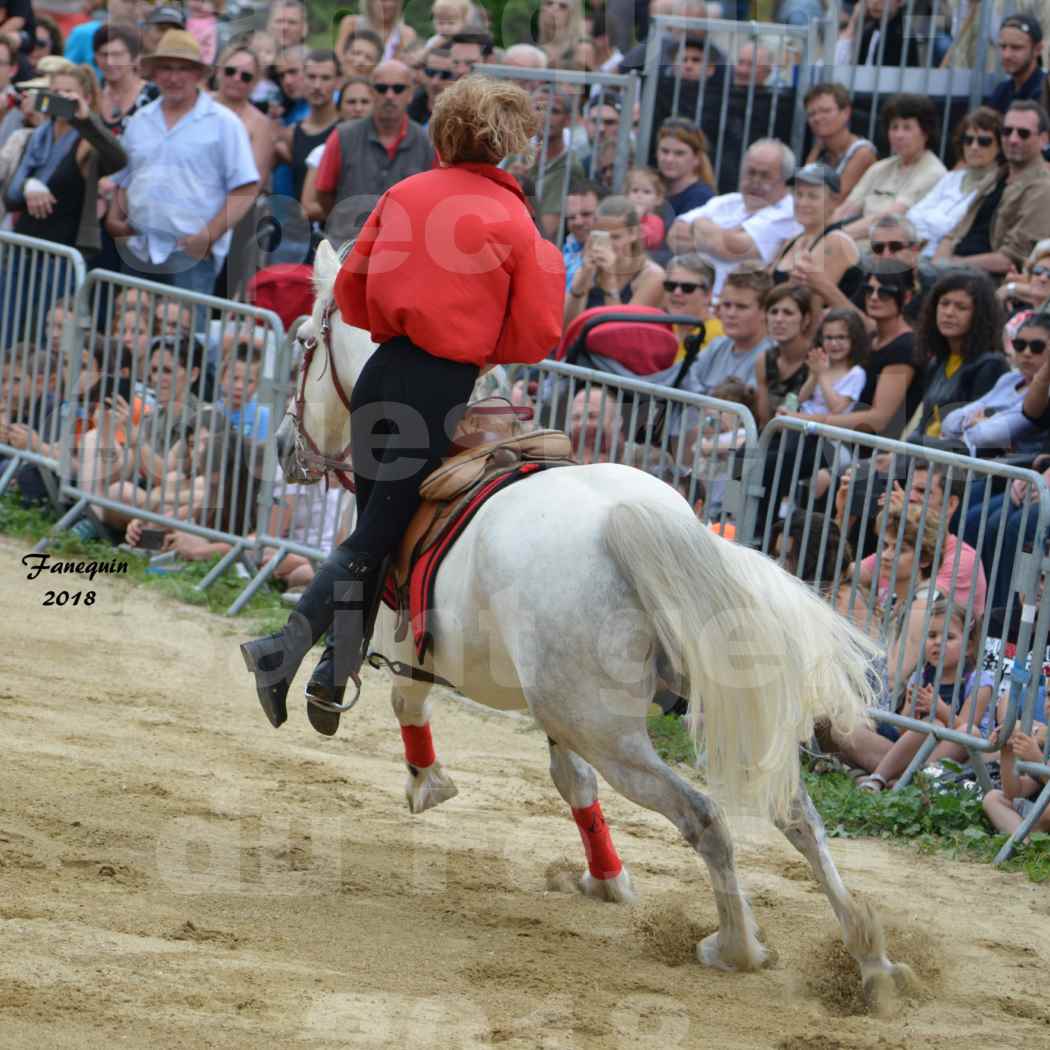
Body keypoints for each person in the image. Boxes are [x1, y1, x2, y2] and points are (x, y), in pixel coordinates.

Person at [240, 74, 564, 736]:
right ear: (505, 145)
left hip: (384, 370)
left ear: (443, 130)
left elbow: (353, 296)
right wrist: (483, 349)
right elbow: (539, 334)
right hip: (440, 381)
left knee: (380, 523)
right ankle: (282, 651)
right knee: (380, 528)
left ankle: (334, 671)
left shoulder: (403, 192)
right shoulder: (514, 220)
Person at [105, 30, 259, 297]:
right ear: (155, 73)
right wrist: (113, 218)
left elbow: (245, 188)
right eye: (166, 68)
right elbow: (126, 177)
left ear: (198, 74)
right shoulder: (140, 120)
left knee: (184, 335)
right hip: (139, 248)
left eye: (183, 69)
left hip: (190, 255)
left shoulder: (224, 123)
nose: (174, 77)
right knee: (131, 333)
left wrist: (208, 235)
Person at [3, 63, 126, 333]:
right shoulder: (36, 137)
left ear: (86, 97)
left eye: (68, 93)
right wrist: (29, 185)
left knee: (44, 333)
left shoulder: (85, 143)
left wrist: (85, 119)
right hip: (22, 251)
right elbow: (11, 197)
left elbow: (118, 159)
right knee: (8, 328)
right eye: (55, 91)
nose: (60, 97)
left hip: (60, 259)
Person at [856, 594, 996, 792]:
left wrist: (938, 709)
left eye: (949, 637)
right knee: (864, 724)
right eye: (931, 636)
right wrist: (911, 713)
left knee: (954, 728)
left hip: (966, 754)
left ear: (969, 646)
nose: (938, 642)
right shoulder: (921, 675)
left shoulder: (979, 681)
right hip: (922, 748)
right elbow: (903, 729)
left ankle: (912, 779)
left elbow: (965, 733)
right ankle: (878, 778)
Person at [313, 59, 431, 247]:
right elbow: (323, 193)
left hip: (403, 251)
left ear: (410, 94)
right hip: (345, 249)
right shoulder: (343, 136)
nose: (390, 95)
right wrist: (346, 223)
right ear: (371, 92)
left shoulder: (427, 143)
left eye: (398, 88)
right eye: (382, 88)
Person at [668, 138, 802, 298]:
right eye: (751, 172)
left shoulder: (788, 213)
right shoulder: (728, 201)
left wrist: (698, 225)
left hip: (731, 308)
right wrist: (722, 236)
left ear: (785, 181)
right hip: (689, 297)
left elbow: (728, 248)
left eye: (765, 176)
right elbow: (674, 236)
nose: (755, 181)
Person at [935, 101, 1050, 277]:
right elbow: (954, 232)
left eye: (1023, 133)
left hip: (988, 281)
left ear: (1043, 139)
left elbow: (1013, 258)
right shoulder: (997, 176)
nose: (1013, 139)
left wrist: (952, 265)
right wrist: (939, 264)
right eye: (1007, 131)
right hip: (954, 269)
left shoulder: (1043, 188)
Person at [832, 94, 946, 247]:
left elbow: (888, 219)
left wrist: (837, 236)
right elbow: (846, 209)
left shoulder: (933, 172)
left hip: (890, 252)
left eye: (907, 128)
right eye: (894, 127)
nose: (898, 135)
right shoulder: (879, 168)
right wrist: (819, 234)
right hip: (854, 244)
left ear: (925, 132)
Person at [940, 312, 1050, 455]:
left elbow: (986, 436)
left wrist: (981, 424)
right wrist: (978, 425)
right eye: (1020, 345)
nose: (1027, 353)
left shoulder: (1043, 393)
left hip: (1010, 473)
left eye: (1037, 347)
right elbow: (949, 421)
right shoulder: (1009, 379)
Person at [913, 272, 1007, 438]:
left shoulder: (991, 365)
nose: (949, 312)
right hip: (922, 454)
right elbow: (924, 424)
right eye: (944, 303)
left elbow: (973, 433)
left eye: (961, 307)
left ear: (980, 315)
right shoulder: (937, 362)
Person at [906, 108, 1003, 260]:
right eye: (969, 140)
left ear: (999, 146)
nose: (974, 147)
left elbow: (953, 228)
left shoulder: (996, 186)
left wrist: (929, 223)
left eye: (984, 141)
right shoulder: (951, 178)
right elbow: (912, 216)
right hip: (915, 251)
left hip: (947, 261)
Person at [770, 162, 862, 314]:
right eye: (798, 194)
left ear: (834, 202)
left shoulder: (836, 241)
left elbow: (810, 305)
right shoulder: (793, 240)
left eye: (812, 196)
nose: (802, 203)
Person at [564, 195, 665, 323]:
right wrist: (581, 281)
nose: (608, 244)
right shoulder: (590, 268)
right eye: (601, 236)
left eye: (615, 237)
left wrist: (610, 280)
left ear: (633, 233)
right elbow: (566, 329)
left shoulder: (652, 276)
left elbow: (621, 334)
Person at [678, 263, 774, 396]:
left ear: (765, 311)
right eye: (726, 305)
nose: (731, 313)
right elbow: (684, 376)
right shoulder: (717, 345)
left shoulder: (772, 356)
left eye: (741, 307)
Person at [276, 48, 339, 202]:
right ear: (303, 79)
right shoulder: (291, 133)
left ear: (337, 82)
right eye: (311, 77)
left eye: (325, 78)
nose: (317, 85)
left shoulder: (348, 130)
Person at [212, 44, 275, 190]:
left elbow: (254, 182)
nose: (236, 78)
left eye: (245, 76)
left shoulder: (260, 124)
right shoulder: (197, 105)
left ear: (255, 83)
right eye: (230, 71)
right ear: (218, 72)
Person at [802, 82, 876, 204]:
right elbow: (803, 189)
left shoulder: (862, 152)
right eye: (811, 114)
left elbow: (835, 198)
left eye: (825, 111)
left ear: (846, 112)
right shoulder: (822, 151)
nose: (817, 118)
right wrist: (816, 150)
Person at [754, 284, 815, 428]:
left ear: (806, 319)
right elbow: (764, 420)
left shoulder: (817, 360)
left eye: (788, 313)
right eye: (773, 312)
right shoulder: (764, 359)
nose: (779, 319)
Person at [529, 87, 584, 240]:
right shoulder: (516, 157)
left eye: (554, 111)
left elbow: (547, 230)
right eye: (539, 108)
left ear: (567, 120)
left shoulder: (570, 167)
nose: (545, 117)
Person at [797, 309, 869, 419]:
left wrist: (821, 375)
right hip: (802, 424)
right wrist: (814, 375)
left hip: (824, 432)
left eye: (841, 337)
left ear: (854, 339)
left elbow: (837, 408)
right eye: (829, 337)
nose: (834, 343)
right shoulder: (821, 364)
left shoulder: (856, 373)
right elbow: (802, 399)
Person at [982, 722, 1049, 838]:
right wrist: (1007, 750)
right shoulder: (1045, 740)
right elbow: (1013, 792)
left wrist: (1037, 761)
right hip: (1038, 817)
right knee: (993, 797)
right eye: (1047, 701)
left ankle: (1025, 839)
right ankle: (1024, 844)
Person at [93, 24, 157, 135]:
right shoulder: (92, 91)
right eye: (104, 54)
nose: (110, 61)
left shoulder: (153, 95)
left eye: (117, 54)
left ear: (135, 57)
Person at [661, 253, 723, 360]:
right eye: (670, 286)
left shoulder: (719, 339)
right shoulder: (659, 328)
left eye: (687, 287)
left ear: (708, 294)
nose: (677, 292)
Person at [654, 117, 715, 217]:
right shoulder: (648, 187)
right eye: (664, 151)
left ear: (697, 158)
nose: (669, 159)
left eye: (679, 153)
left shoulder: (700, 198)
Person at [990, 13, 1046, 114]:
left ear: (1037, 49)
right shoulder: (1001, 91)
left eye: (1016, 47)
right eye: (1003, 46)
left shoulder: (1046, 92)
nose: (1006, 55)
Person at [335, 0, 418, 63]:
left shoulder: (406, 33)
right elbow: (338, 58)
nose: (386, 5)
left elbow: (406, 66)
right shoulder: (351, 24)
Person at [561, 178, 601, 289]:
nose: (578, 222)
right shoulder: (565, 252)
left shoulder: (614, 257)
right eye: (571, 217)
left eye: (586, 214)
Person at [407, 45, 452, 126]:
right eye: (430, 72)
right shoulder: (409, 103)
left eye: (445, 75)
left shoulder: (461, 115)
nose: (435, 82)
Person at [625, 166, 666, 251]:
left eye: (647, 192)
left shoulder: (656, 221)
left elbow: (647, 241)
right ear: (626, 195)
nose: (639, 196)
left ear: (658, 199)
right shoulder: (622, 216)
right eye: (635, 190)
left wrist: (636, 218)